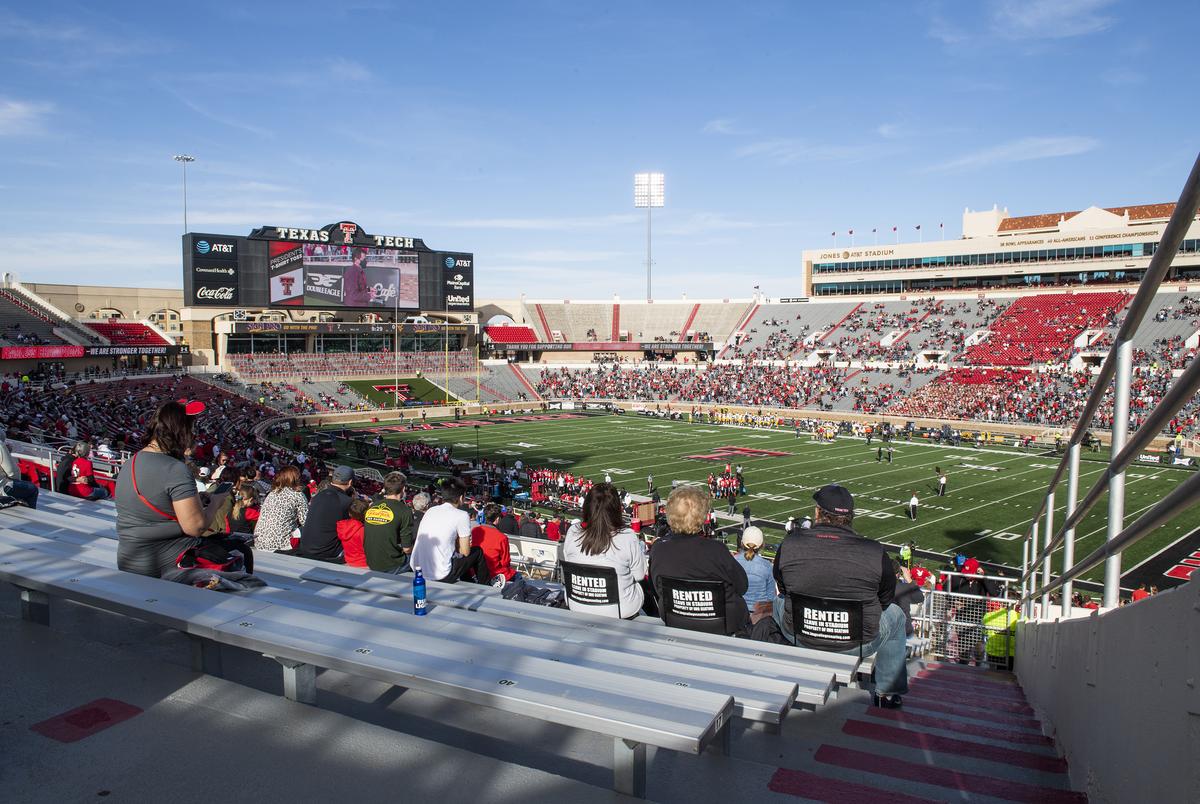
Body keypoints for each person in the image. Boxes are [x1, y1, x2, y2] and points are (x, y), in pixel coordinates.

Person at [773, 483, 908, 708]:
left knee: (776, 602)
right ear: (850, 517)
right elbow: (886, 596)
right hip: (856, 641)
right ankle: (887, 693)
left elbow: (782, 585)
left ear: (817, 513)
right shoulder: (874, 550)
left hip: (801, 631)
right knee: (896, 615)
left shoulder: (791, 543)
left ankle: (786, 674)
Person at [115, 400, 252, 578]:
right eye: (191, 429)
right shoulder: (174, 468)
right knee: (242, 551)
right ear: (181, 431)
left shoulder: (131, 462)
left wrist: (196, 498)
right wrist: (216, 502)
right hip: (164, 560)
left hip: (129, 558)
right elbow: (195, 527)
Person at [649, 486, 749, 636]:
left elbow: (657, 589)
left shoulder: (659, 549)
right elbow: (742, 586)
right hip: (722, 627)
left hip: (676, 621)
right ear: (701, 516)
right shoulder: (716, 550)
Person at [561, 482, 647, 619]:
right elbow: (639, 575)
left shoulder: (573, 531)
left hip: (577, 604)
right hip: (619, 612)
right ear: (616, 509)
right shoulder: (627, 536)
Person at [410, 479, 491, 584]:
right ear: (461, 497)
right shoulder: (462, 515)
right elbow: (465, 552)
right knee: (477, 552)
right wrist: (459, 543)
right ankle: (486, 585)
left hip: (417, 568)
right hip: (441, 574)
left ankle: (469, 581)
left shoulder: (431, 510)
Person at [294, 465, 355, 563]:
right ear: (350, 482)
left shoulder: (318, 496)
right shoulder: (346, 501)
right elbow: (350, 532)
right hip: (327, 554)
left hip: (305, 548)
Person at [363, 471, 414, 574]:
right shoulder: (405, 510)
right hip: (391, 565)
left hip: (371, 561)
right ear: (403, 489)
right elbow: (407, 549)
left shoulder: (373, 506)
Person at [254, 466, 309, 552]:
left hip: (259, 541)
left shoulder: (272, 493)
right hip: (280, 545)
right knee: (305, 529)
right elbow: (306, 522)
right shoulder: (298, 495)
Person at [471, 503, 516, 587]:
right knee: (518, 577)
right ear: (497, 519)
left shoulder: (475, 530)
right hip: (494, 574)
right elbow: (505, 562)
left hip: (474, 571)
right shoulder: (502, 537)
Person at [734, 526, 775, 614]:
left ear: (742, 543)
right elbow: (771, 597)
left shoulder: (733, 561)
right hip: (759, 614)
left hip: (737, 611)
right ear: (762, 545)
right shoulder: (767, 566)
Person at [0, 427, 39, 509]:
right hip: (2, 487)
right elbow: (11, 472)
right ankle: (31, 515)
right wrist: (6, 452)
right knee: (33, 489)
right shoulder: (0, 445)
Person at [336, 498, 370, 568]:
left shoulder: (342, 526)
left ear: (349, 513)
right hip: (363, 563)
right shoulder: (362, 530)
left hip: (349, 560)